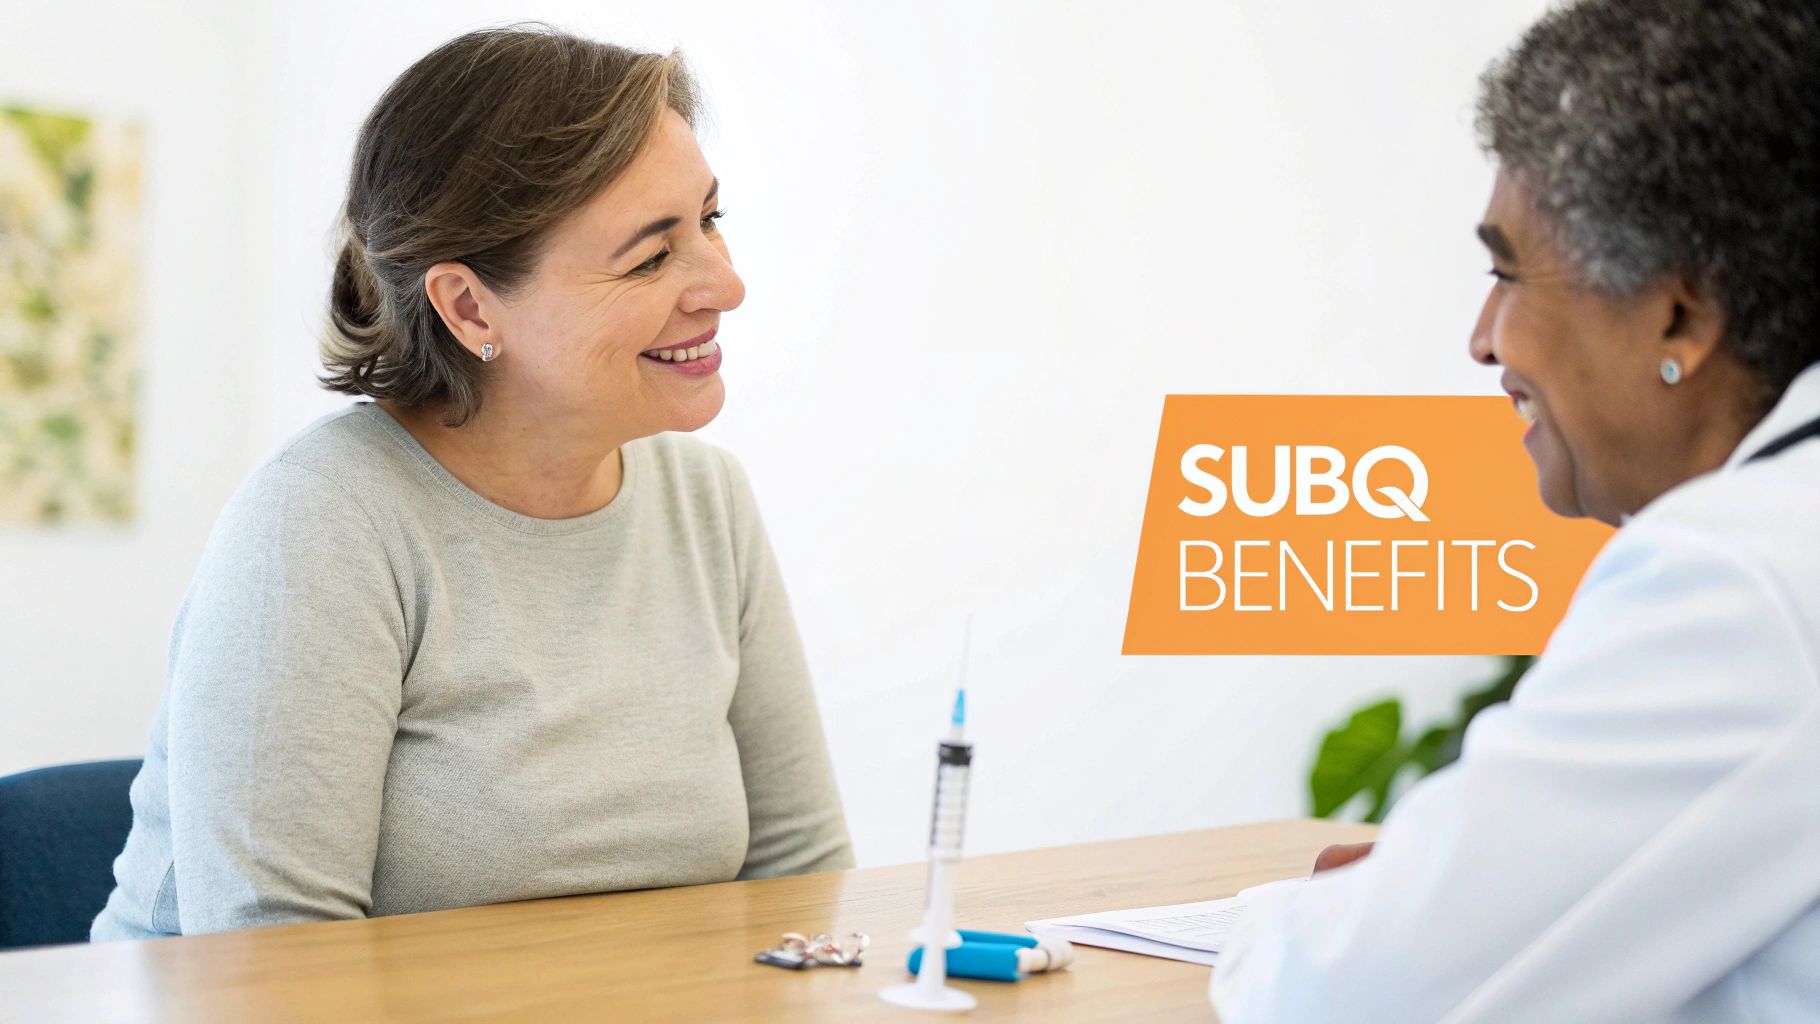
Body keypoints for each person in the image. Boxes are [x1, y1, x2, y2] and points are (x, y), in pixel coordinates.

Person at [92, 26, 852, 940]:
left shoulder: (706, 504)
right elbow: (276, 969)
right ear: (467, 305)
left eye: (711, 221)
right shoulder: (322, 523)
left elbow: (805, 887)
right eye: (651, 256)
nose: (724, 284)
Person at [1212, 1, 1820, 1020]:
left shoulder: (1740, 579)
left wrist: (1334, 911)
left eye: (1505, 273)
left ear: (1680, 312)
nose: (1481, 339)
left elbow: (1349, 996)